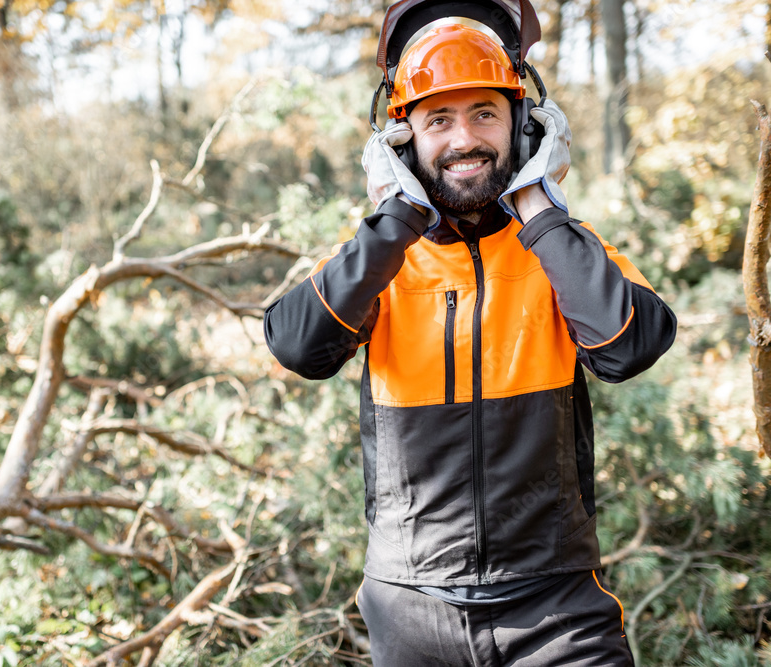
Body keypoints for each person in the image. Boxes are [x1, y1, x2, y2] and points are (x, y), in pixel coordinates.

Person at [263, 23, 676, 666]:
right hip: (409, 603)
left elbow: (629, 346)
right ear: (402, 141)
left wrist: (539, 205)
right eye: (438, 120)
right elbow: (298, 347)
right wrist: (395, 217)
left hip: (555, 602)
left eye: (485, 113)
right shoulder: (380, 260)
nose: (464, 139)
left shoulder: (562, 248)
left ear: (524, 126)